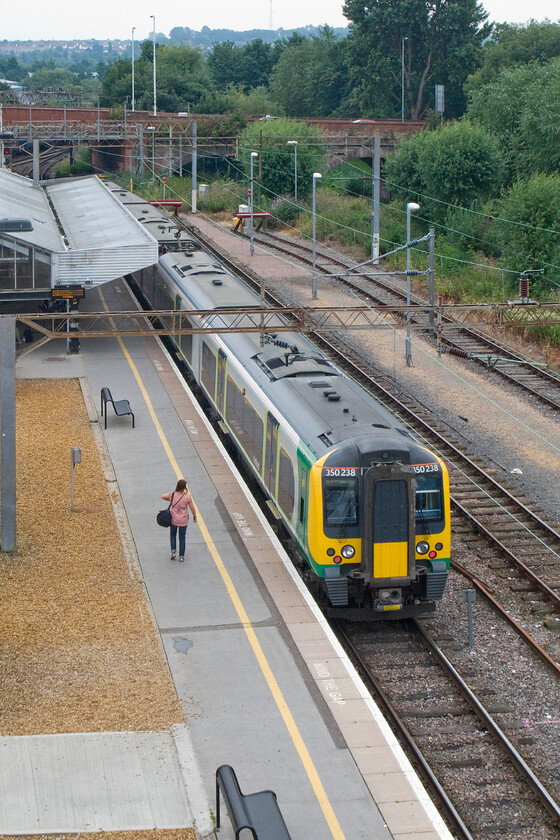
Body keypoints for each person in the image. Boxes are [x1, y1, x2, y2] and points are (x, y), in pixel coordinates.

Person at [161, 479, 197, 562]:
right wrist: (194, 516)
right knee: (182, 537)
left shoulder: (172, 495)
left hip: (174, 519)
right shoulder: (188, 497)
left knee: (173, 535)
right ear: (184, 487)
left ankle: (173, 552)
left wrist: (170, 500)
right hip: (183, 520)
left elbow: (162, 496)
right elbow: (192, 508)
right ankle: (181, 557)